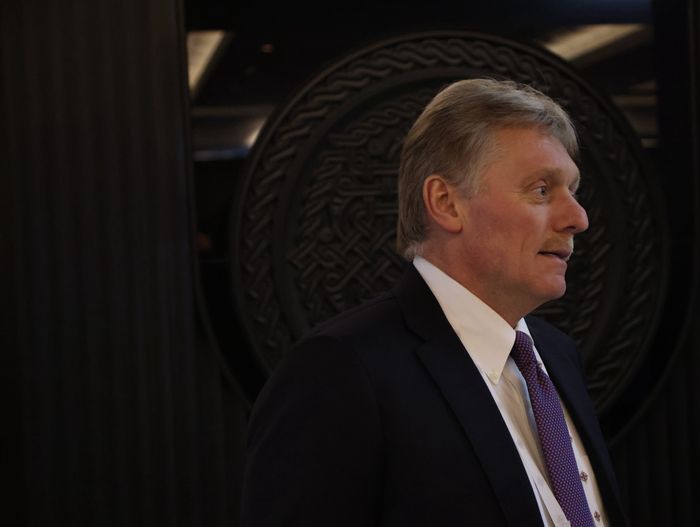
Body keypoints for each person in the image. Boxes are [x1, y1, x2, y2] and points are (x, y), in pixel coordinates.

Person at [241, 78, 629, 527]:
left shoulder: (557, 354)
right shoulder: (340, 368)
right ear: (446, 203)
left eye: (573, 190)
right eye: (541, 190)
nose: (577, 218)